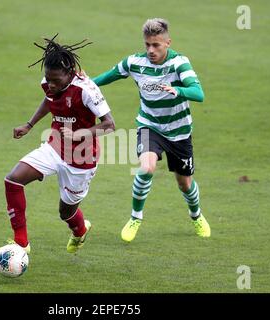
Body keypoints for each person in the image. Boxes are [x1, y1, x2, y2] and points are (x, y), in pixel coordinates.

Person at [0, 35, 115, 255]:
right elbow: (49, 99)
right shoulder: (50, 83)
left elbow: (109, 125)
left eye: (56, 80)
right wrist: (29, 125)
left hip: (82, 160)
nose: (50, 84)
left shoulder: (87, 90)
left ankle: (80, 230)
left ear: (70, 74)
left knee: (66, 211)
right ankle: (21, 243)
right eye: (48, 79)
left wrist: (77, 135)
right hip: (55, 147)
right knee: (13, 179)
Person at [92, 18, 210, 242]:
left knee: (184, 184)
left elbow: (199, 93)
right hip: (150, 126)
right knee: (146, 168)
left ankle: (196, 215)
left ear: (168, 43)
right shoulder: (134, 62)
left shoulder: (179, 63)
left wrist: (178, 90)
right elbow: (107, 77)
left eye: (156, 45)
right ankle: (135, 217)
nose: (150, 50)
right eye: (147, 44)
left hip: (179, 131)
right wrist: (84, 83)